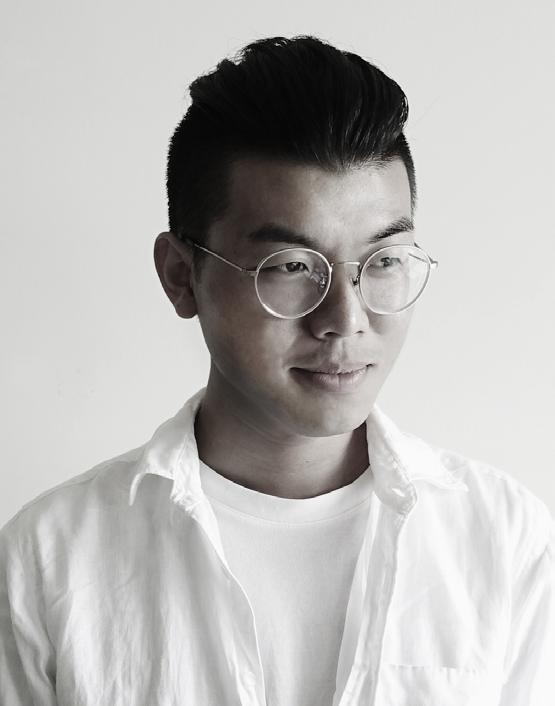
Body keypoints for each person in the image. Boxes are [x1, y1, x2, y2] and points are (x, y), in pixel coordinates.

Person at [0, 35, 553, 706]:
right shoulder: (49, 560)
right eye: (291, 267)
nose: (345, 319)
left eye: (382, 261)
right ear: (181, 276)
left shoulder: (504, 541)